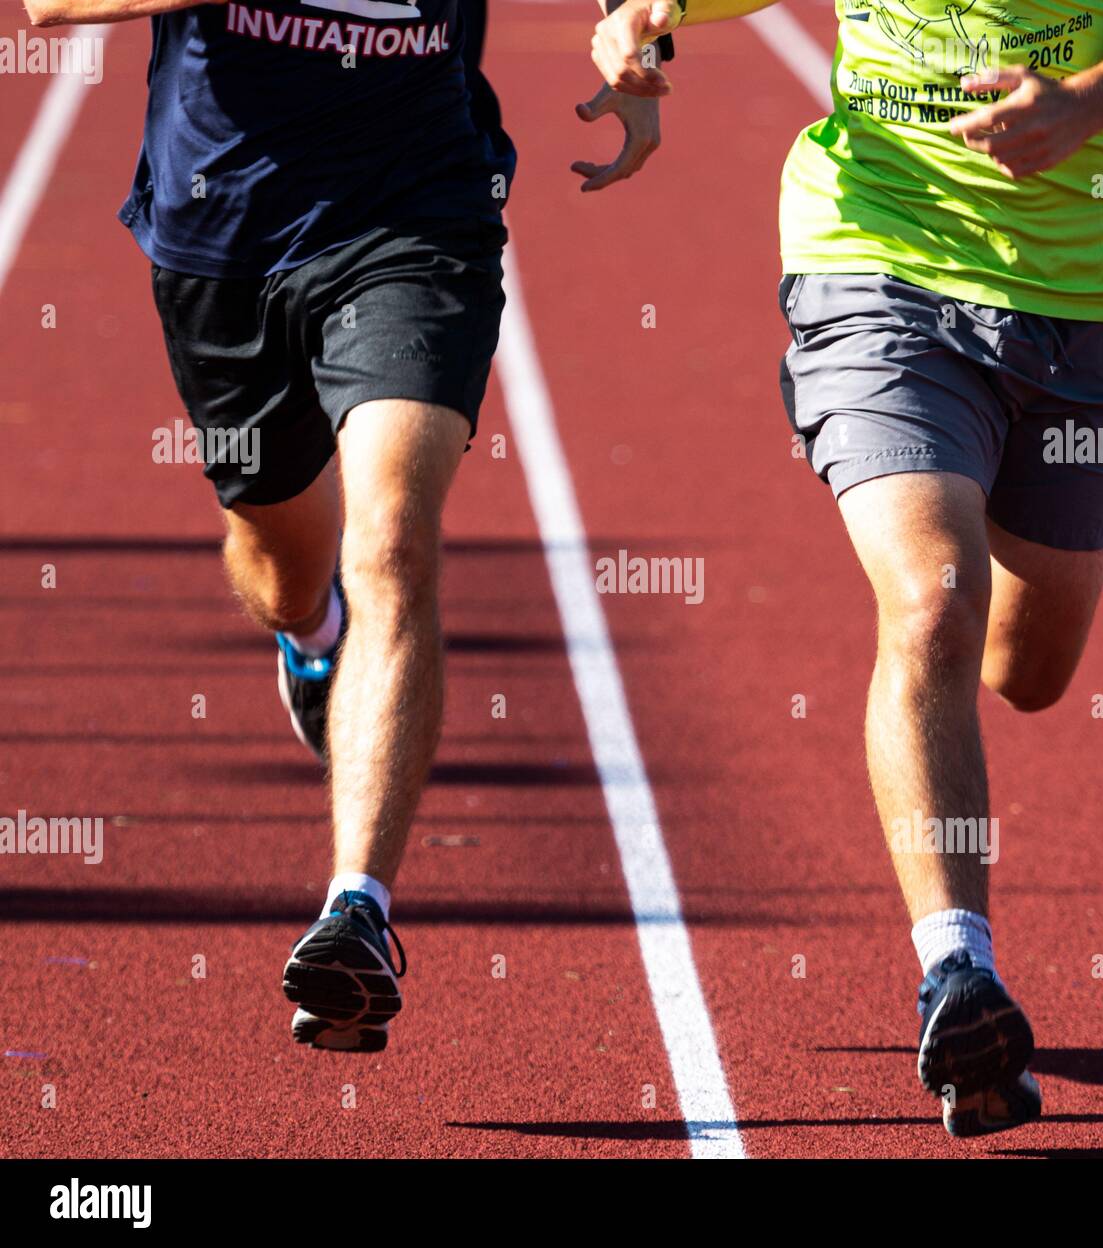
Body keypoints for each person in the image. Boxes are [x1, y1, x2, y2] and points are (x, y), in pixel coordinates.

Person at [592, 0, 1103, 1135]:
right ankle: (958, 973)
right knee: (932, 602)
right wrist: (634, 29)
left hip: (1094, 304)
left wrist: (1092, 102)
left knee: (1027, 666)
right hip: (880, 268)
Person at [23, 0, 661, 1052]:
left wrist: (640, 29)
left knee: (393, 542)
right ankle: (311, 635)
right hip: (219, 231)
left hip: (414, 215)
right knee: (284, 566)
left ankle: (355, 910)